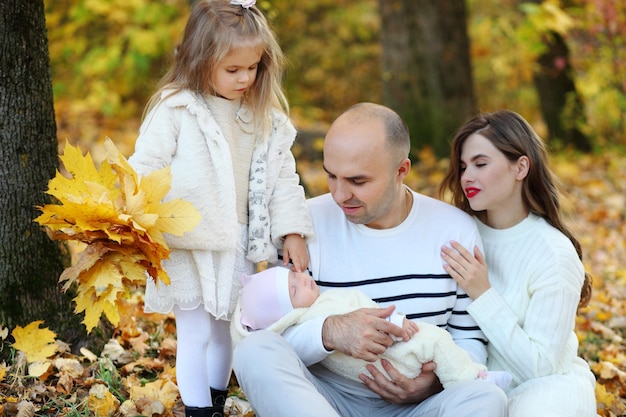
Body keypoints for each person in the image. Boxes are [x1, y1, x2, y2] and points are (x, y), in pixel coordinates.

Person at [233, 102, 508, 417]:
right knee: (255, 351)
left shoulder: (454, 229)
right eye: (331, 176)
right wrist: (330, 331)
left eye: (357, 182)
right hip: (326, 400)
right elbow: (271, 329)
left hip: (420, 407)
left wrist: (433, 384)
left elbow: (468, 335)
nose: (339, 194)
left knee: (488, 400)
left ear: (401, 170)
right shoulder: (302, 225)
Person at [127, 1, 314, 416]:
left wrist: (294, 231)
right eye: (233, 70)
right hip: (187, 239)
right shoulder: (176, 108)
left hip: (238, 241)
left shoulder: (265, 116)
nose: (246, 77)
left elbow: (284, 179)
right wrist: (129, 214)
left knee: (227, 326)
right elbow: (144, 166)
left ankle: (214, 398)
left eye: (253, 67)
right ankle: (198, 410)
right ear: (200, 59)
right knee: (194, 330)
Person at [438, 109, 598, 416]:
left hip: (544, 391)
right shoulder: (458, 234)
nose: (467, 176)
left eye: (480, 164)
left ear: (520, 167)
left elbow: (539, 367)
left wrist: (483, 294)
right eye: (462, 167)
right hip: (471, 389)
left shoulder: (553, 253)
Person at [231, 266, 513, 390]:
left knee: (484, 401)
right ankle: (469, 378)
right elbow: (371, 319)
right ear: (288, 313)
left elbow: (469, 333)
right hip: (389, 358)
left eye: (295, 275)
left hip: (415, 384)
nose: (303, 280)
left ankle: (470, 380)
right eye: (294, 289)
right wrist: (397, 323)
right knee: (436, 340)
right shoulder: (320, 310)